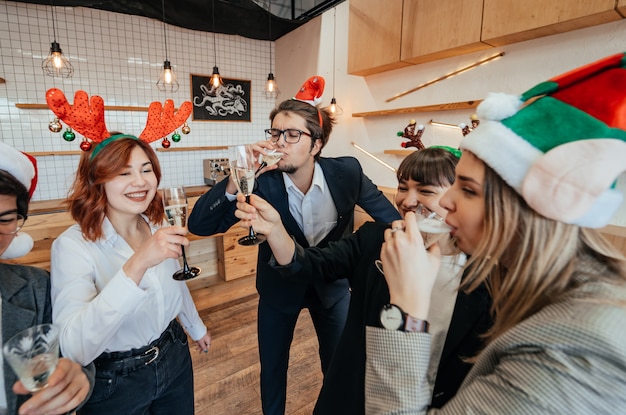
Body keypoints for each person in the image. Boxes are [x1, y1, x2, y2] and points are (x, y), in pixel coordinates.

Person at [364, 53, 626, 413]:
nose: (448, 201)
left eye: (468, 190)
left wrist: (405, 310)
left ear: (529, 211)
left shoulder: (576, 353)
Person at [188, 75, 401, 414]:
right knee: (273, 370)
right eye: (274, 133)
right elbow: (199, 225)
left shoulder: (347, 172)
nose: (279, 142)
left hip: (331, 288)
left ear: (316, 145)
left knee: (338, 366)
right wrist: (235, 177)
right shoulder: (261, 182)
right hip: (278, 289)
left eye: (292, 134)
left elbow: (391, 220)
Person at [233, 147, 492, 413]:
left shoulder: (488, 277)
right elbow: (312, 265)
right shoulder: (375, 238)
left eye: (425, 191)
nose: (408, 201)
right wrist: (276, 230)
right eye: (402, 188)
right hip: (353, 395)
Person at [50, 136, 211, 415]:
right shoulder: (72, 246)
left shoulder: (157, 222)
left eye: (146, 169)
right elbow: (74, 348)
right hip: (114, 381)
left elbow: (176, 284)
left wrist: (195, 326)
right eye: (124, 173)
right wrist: (137, 263)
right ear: (96, 179)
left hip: (174, 354)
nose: (140, 182)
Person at [0, 141, 94, 415]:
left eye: (5, 219)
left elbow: (72, 357)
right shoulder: (71, 244)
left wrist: (76, 380)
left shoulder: (36, 287)